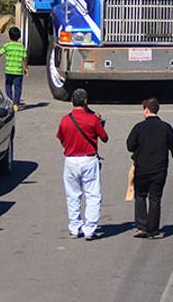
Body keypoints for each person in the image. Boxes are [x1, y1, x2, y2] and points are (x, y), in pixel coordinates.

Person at [126, 98, 173, 238]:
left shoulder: (139, 127)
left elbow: (130, 146)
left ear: (146, 110)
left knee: (140, 196)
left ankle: (141, 226)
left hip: (142, 169)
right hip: (159, 170)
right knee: (155, 198)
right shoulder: (166, 127)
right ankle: (153, 230)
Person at [57, 88, 108, 240]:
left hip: (71, 160)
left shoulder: (65, 120)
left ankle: (74, 227)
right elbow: (104, 138)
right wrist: (99, 122)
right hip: (89, 159)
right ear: (86, 102)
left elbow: (61, 139)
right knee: (92, 195)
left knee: (72, 195)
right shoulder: (92, 119)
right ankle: (90, 229)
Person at [0, 26, 27, 109]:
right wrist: (26, 68)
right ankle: (16, 104)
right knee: (18, 88)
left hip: (9, 70)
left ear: (9, 36)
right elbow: (24, 58)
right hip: (18, 71)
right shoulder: (21, 46)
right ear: (19, 37)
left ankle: (10, 100)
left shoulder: (7, 45)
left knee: (8, 86)